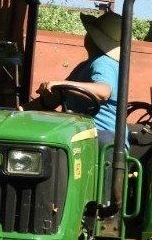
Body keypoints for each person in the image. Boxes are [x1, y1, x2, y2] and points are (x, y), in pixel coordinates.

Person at [36, 11, 124, 149]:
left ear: (93, 38)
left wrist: (62, 83)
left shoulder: (103, 63)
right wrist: (21, 111)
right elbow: (56, 97)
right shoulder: (86, 65)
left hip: (103, 138)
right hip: (84, 131)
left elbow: (103, 91)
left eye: (90, 32)